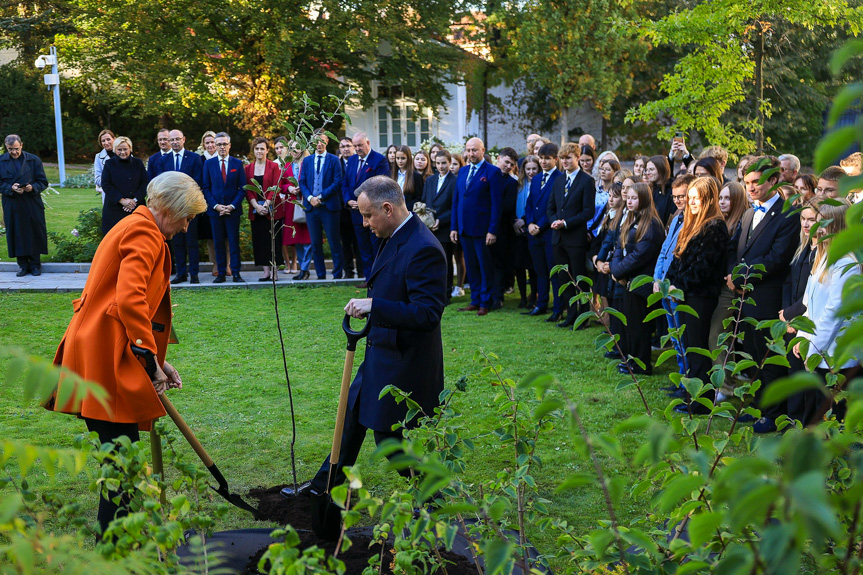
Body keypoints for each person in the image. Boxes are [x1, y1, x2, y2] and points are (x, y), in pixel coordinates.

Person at [48, 170, 206, 534]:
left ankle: (120, 544)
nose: (186, 227)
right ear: (169, 209)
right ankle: (116, 550)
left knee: (121, 460)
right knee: (123, 464)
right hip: (102, 357)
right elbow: (130, 300)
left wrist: (159, 361)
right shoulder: (143, 232)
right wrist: (150, 365)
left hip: (102, 352)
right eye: (188, 217)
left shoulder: (136, 225)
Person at [283, 175, 446, 499]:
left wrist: (375, 306)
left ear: (387, 208)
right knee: (350, 420)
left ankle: (433, 500)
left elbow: (427, 314)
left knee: (390, 440)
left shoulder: (424, 248)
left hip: (404, 364)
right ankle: (323, 488)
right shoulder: (395, 235)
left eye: (367, 215)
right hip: (380, 353)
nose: (364, 222)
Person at [729, 156, 800, 433]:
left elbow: (778, 258)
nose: (751, 188)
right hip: (745, 298)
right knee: (751, 354)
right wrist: (731, 274)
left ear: (773, 180)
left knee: (769, 358)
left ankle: (774, 413)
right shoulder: (748, 212)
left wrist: (742, 277)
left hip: (768, 298)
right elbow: (736, 248)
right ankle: (759, 406)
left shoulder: (788, 215)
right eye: (747, 183)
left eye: (757, 182)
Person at [666, 177, 730, 413]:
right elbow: (678, 258)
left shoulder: (715, 228)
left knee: (698, 348)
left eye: (696, 198)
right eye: (690, 198)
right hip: (685, 295)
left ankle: (701, 401)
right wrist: (669, 284)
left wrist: (678, 286)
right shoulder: (691, 225)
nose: (691, 202)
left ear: (708, 199)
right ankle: (690, 390)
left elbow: (703, 268)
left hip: (700, 297)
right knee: (688, 344)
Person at [794, 200, 859, 424]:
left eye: (822, 223)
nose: (817, 228)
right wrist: (802, 337)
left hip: (836, 356)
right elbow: (810, 304)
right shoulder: (822, 257)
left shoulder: (845, 265)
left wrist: (813, 350)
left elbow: (834, 314)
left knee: (836, 414)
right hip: (820, 349)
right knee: (815, 410)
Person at [610, 182, 665, 375]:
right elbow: (620, 245)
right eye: (629, 197)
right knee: (630, 324)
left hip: (642, 284)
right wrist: (616, 269)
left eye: (634, 198)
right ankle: (633, 360)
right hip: (629, 280)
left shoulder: (651, 225)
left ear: (643, 199)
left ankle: (641, 364)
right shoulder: (633, 219)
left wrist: (617, 271)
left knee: (639, 326)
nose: (629, 201)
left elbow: (639, 256)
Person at [451, 137, 503, 316]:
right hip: (464, 228)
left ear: (483, 150)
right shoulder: (463, 171)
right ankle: (474, 300)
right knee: (471, 267)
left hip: (483, 230)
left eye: (474, 150)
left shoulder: (493, 172)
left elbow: (497, 204)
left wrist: (492, 230)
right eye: (468, 150)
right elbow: (457, 201)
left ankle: (485, 302)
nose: (470, 154)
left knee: (484, 267)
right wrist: (454, 227)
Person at [653, 173, 697, 379]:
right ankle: (681, 378)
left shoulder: (693, 222)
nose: (679, 200)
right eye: (675, 197)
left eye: (683, 196)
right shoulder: (676, 217)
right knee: (675, 336)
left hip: (677, 289)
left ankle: (687, 381)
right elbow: (664, 251)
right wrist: (657, 278)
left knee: (684, 336)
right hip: (664, 286)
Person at [548, 141, 596, 328]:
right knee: (563, 278)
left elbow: (588, 211)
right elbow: (551, 207)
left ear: (577, 158)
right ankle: (570, 314)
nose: (565, 161)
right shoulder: (559, 180)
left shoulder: (586, 181)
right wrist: (553, 220)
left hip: (575, 238)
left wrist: (566, 223)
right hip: (557, 238)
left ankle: (583, 316)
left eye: (568, 157)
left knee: (579, 278)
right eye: (562, 158)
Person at [781, 199, 819, 424]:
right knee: (793, 376)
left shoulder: (823, 252)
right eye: (803, 219)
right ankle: (792, 425)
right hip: (791, 318)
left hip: (806, 320)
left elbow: (813, 294)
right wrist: (786, 312)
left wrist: (793, 315)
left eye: (811, 220)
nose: (806, 224)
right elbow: (789, 280)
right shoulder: (803, 246)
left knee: (806, 379)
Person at [522, 142, 563, 319]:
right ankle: (541, 304)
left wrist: (541, 225)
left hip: (549, 232)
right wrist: (530, 222)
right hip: (534, 232)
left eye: (547, 158)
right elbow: (530, 202)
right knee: (539, 271)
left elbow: (556, 207)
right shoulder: (537, 178)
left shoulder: (560, 178)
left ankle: (558, 308)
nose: (544, 162)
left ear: (556, 159)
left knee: (553, 271)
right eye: (541, 158)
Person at [343, 132, 389, 284]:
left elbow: (382, 184)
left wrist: (365, 203)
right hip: (356, 213)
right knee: (363, 249)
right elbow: (345, 182)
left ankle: (379, 279)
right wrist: (348, 200)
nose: (357, 149)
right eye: (355, 146)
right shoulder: (352, 160)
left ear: (368, 143)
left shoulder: (379, 160)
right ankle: (369, 279)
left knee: (376, 247)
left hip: (373, 213)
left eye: (360, 145)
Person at [1, 134, 49, 276]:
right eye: (10, 149)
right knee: (16, 232)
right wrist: (10, 188)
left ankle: (35, 265)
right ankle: (22, 265)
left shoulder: (34, 160)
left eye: (16, 148)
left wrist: (32, 187)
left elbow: (43, 182)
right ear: (6, 147)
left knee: (34, 231)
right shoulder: (1, 162)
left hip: (31, 201)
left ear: (21, 145)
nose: (14, 152)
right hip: (12, 202)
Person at [202, 132, 247, 283]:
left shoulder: (237, 164)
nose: (221, 147)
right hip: (216, 212)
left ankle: (236, 273)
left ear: (229, 145)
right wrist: (216, 206)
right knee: (218, 243)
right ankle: (221, 273)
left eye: (224, 144)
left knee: (234, 243)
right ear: (215, 146)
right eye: (219, 144)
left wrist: (232, 206)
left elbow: (243, 188)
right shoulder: (209, 164)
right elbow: (206, 188)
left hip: (233, 211)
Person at [162, 129, 204, 284]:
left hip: (189, 207)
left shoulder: (194, 158)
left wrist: (185, 199)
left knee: (192, 242)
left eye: (177, 139)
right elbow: (164, 183)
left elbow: (197, 181)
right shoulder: (164, 160)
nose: (174, 142)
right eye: (171, 140)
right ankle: (181, 274)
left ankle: (194, 274)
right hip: (172, 209)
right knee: (177, 242)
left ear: (184, 139)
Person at [300, 134, 344, 280]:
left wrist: (320, 197)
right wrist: (310, 198)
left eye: (321, 141)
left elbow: (337, 182)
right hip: (311, 208)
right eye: (315, 141)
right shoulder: (306, 161)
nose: (318, 144)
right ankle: (321, 276)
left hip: (329, 207)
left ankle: (337, 275)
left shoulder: (334, 160)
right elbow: (302, 182)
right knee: (315, 243)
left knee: (334, 242)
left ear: (327, 141)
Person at [244, 137, 285, 281]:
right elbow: (248, 190)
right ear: (253, 151)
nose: (259, 151)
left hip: (272, 210)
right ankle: (266, 272)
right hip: (256, 211)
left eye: (262, 148)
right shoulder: (248, 168)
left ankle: (275, 272)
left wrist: (266, 205)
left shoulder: (274, 166)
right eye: (257, 148)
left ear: (267, 150)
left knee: (273, 241)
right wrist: (256, 206)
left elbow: (275, 187)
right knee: (260, 240)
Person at [422, 149, 457, 301]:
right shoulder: (430, 180)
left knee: (445, 261)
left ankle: (446, 292)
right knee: (430, 261)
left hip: (444, 228)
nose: (441, 166)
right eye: (438, 163)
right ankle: (432, 291)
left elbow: (455, 206)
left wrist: (440, 220)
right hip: (429, 228)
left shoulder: (455, 181)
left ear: (450, 163)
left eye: (444, 163)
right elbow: (424, 201)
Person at [101, 136, 149, 235]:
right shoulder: (109, 164)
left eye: (125, 149)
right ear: (115, 150)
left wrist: (133, 201)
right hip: (115, 209)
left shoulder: (138, 163)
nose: (123, 152)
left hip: (136, 207)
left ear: (130, 149)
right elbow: (106, 184)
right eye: (119, 150)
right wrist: (122, 200)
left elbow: (145, 183)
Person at [491, 147, 520, 309]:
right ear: (499, 159)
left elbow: (507, 207)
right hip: (485, 226)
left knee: (499, 264)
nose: (508, 166)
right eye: (506, 162)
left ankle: (497, 297)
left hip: (503, 229)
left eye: (512, 164)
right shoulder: (489, 177)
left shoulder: (512, 183)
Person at [280, 139, 312, 279]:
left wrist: (304, 189)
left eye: (297, 148)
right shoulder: (286, 166)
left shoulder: (309, 162)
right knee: (296, 238)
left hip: (307, 202)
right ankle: (301, 268)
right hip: (292, 205)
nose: (295, 151)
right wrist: (290, 188)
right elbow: (280, 185)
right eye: (292, 148)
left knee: (308, 238)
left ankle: (305, 268)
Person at [514, 155, 539, 309]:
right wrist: (515, 222)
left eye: (534, 169)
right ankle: (522, 297)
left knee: (532, 267)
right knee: (519, 266)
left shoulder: (539, 184)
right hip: (517, 229)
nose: (530, 172)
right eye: (528, 169)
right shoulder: (518, 185)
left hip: (531, 227)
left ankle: (534, 296)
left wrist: (524, 220)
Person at [337, 137, 362, 279]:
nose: (346, 148)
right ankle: (348, 271)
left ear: (353, 147)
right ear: (339, 149)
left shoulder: (358, 162)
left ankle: (361, 270)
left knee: (359, 242)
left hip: (359, 208)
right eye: (342, 146)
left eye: (348, 146)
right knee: (345, 243)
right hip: (342, 210)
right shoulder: (336, 163)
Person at [197, 131, 219, 274]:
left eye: (213, 142)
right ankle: (215, 264)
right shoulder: (199, 160)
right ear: (203, 144)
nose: (210, 145)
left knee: (226, 237)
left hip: (224, 203)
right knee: (210, 237)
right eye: (207, 142)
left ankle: (227, 264)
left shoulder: (224, 158)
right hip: (206, 203)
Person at [588, 158, 618, 240]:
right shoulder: (595, 190)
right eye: (602, 169)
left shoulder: (615, 195)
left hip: (603, 233)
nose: (603, 171)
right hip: (588, 232)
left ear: (615, 172)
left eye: (608, 169)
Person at [644, 155, 675, 223]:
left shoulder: (672, 190)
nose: (647, 173)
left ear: (661, 169)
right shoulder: (651, 189)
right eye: (646, 170)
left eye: (651, 169)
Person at [390, 145, 423, 209]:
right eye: (397, 158)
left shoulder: (416, 176)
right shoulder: (392, 175)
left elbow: (419, 198)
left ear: (408, 159)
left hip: (408, 212)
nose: (400, 161)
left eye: (403, 158)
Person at [94, 129, 115, 204]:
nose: (106, 143)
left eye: (108, 139)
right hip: (108, 195)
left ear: (114, 139)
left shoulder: (125, 153)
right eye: (103, 141)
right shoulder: (98, 157)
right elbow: (97, 179)